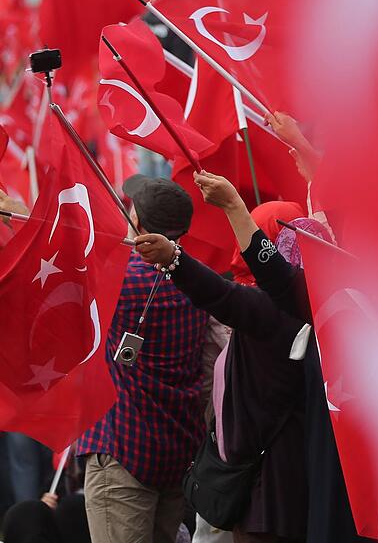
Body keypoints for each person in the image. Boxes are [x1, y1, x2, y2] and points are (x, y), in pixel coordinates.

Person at [136, 171, 374, 543]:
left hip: (269, 496)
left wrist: (176, 257)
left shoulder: (281, 311)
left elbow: (224, 294)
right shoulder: (330, 309)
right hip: (307, 488)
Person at [75, 175, 205, 543]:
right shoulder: (199, 282)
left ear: (142, 227)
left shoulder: (122, 280)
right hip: (175, 450)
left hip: (123, 452)